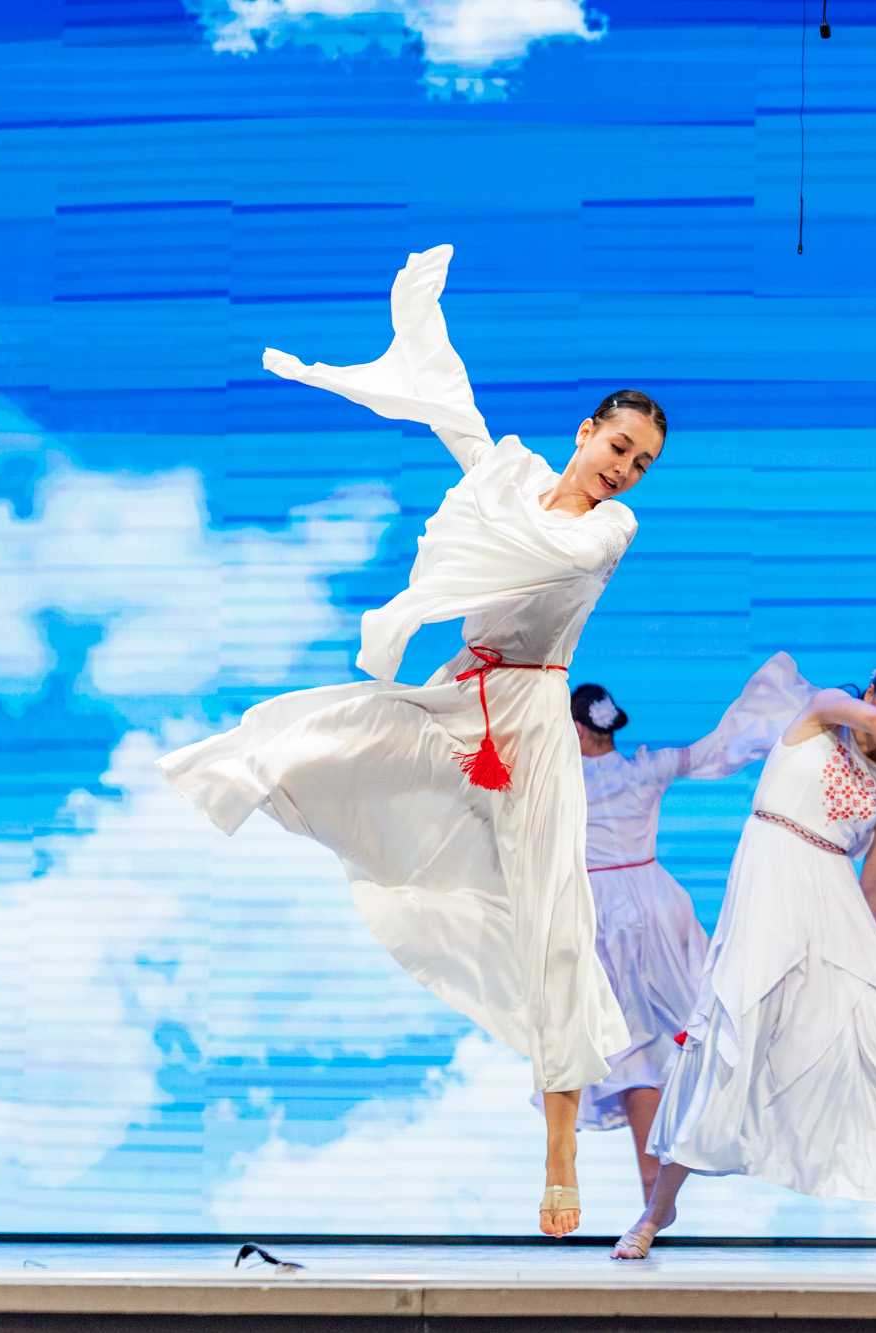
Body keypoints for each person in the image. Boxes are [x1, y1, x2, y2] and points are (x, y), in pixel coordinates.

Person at [158, 244, 664, 1239]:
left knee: (555, 924)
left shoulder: (608, 529)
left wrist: (488, 511)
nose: (624, 469)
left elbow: (541, 548)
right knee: (331, 731)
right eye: (618, 445)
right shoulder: (513, 481)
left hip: (531, 722)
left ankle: (560, 1150)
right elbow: (455, 416)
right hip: (463, 697)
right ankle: (233, 772)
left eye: (640, 462)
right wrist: (421, 325)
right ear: (586, 431)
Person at [611, 657, 876, 1262]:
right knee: (735, 1029)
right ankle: (658, 1208)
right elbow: (874, 725)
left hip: (835, 896)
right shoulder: (824, 710)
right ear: (872, 692)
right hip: (772, 871)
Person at [559, 656, 816, 1197]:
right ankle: (756, 1111)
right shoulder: (645, 769)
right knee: (695, 1021)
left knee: (631, 1047)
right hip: (658, 902)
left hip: (605, 915)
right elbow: (714, 750)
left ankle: (654, 1187)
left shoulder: (560, 784)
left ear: (577, 728)